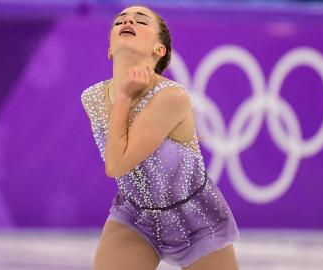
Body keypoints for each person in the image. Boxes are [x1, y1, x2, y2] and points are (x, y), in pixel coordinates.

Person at [81, 5, 240, 270]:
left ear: (159, 50)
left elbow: (116, 164)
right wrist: (124, 96)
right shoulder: (93, 98)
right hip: (135, 216)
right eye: (120, 20)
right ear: (110, 48)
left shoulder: (170, 97)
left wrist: (124, 97)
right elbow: (117, 166)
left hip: (196, 222)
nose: (127, 20)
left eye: (140, 21)